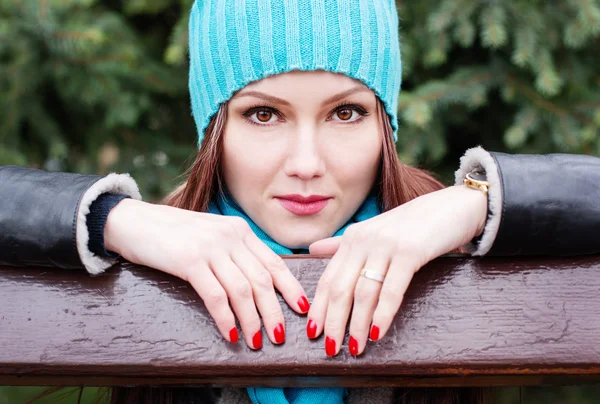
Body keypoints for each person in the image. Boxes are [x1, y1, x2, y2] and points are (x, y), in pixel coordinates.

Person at [2, 0, 600, 403]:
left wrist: (476, 203)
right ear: (215, 130)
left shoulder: (448, 238)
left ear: (383, 126)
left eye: (345, 112)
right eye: (264, 114)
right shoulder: (149, 252)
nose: (307, 163)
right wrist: (112, 220)